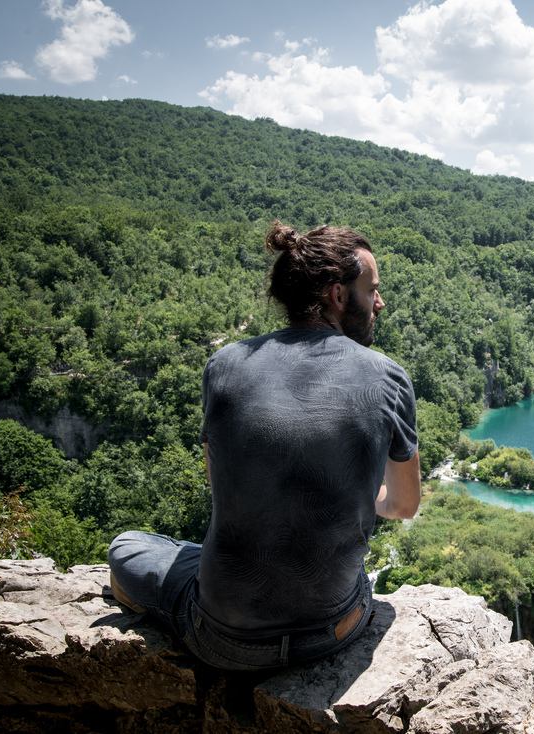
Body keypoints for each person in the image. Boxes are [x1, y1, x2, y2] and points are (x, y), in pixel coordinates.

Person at [107, 222, 421, 670]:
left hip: (226, 640)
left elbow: (222, 485)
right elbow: (405, 505)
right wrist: (349, 491)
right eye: (372, 290)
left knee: (128, 545)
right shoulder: (389, 377)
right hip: (336, 628)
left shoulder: (226, 364)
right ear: (336, 295)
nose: (379, 302)